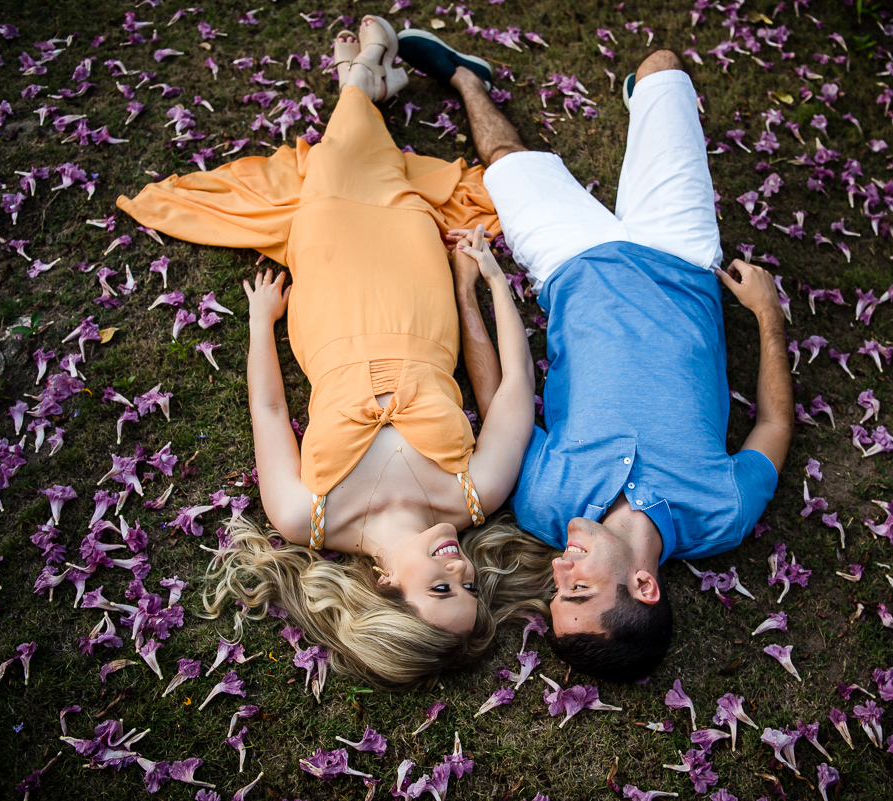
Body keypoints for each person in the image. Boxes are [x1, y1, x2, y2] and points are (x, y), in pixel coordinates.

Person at [117, 17, 542, 690]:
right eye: (468, 583)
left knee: (331, 181)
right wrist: (492, 283)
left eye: (442, 586)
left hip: (330, 309)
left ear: (384, 586)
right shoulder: (476, 494)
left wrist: (262, 322)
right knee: (397, 191)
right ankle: (362, 81)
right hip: (417, 296)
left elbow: (267, 406)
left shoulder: (302, 515)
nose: (460, 567)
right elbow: (518, 382)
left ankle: (364, 77)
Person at [399, 36, 794, 682]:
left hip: (570, 262)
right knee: (663, 66)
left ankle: (470, 81)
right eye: (579, 590)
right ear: (644, 585)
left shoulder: (544, 504)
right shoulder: (722, 515)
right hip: (684, 257)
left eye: (559, 591)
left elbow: (499, 395)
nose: (559, 571)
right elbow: (773, 427)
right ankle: (649, 104)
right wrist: (766, 313)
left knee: (504, 160)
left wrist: (468, 289)